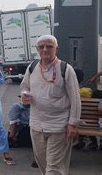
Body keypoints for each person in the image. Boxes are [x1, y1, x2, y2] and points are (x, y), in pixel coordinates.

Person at [20, 35, 81, 175]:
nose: (45, 49)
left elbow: (75, 99)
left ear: (56, 49)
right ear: (37, 49)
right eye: (41, 47)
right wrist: (24, 95)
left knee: (54, 168)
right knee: (43, 163)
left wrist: (73, 124)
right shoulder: (32, 67)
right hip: (36, 125)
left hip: (59, 126)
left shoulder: (66, 69)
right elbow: (24, 86)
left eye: (49, 46)